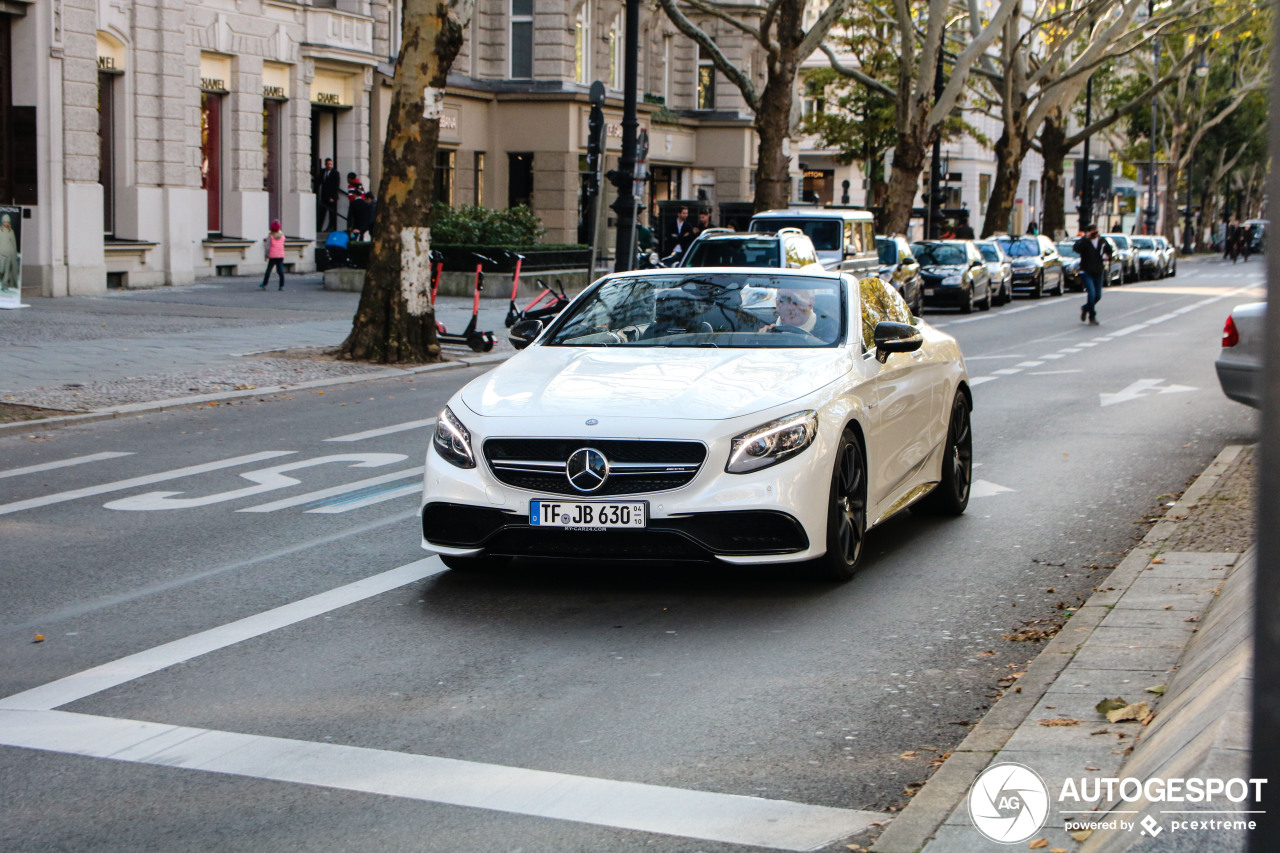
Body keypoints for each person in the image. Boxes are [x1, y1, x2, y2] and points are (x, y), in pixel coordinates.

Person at [1073, 223, 1111, 325]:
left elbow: (1109, 250)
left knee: (1098, 296)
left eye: (1096, 231)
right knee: (1091, 293)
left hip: (1098, 271)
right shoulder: (1084, 241)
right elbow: (1076, 248)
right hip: (1086, 271)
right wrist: (1086, 238)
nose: (1095, 234)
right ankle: (1092, 316)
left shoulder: (1102, 241)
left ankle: (1085, 308)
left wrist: (1108, 256)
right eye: (1092, 232)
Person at [315, 158, 341, 232]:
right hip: (324, 196)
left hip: (331, 197)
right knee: (322, 212)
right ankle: (319, 228)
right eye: (328, 164)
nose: (329, 166)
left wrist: (333, 197)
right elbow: (319, 182)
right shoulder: (323, 172)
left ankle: (331, 227)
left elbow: (336, 186)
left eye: (331, 164)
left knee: (331, 213)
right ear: (325, 164)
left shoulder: (335, 173)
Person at [261, 219, 286, 290]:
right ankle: (281, 286)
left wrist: (266, 256)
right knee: (280, 271)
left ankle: (264, 284)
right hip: (280, 255)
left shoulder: (271, 237)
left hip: (272, 256)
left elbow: (267, 247)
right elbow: (283, 244)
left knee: (268, 270)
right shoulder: (282, 236)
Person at [346, 172, 371, 240]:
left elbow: (350, 216)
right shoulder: (360, 185)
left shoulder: (351, 186)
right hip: (363, 225)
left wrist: (349, 227)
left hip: (356, 225)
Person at [0, 213, 18, 293]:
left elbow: (13, 243)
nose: (6, 223)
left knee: (7, 271)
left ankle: (5, 286)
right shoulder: (0, 231)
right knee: (1, 271)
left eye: (7, 221)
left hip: (9, 255)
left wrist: (14, 254)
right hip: (1, 254)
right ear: (2, 222)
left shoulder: (11, 232)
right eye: (4, 221)